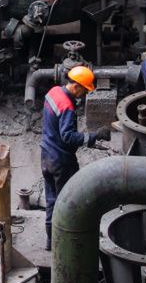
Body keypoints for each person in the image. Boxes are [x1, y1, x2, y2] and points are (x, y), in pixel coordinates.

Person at [41, 65, 111, 250]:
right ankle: (66, 244)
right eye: (84, 90)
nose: (84, 95)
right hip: (61, 161)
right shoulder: (68, 107)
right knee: (68, 202)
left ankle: (50, 241)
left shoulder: (53, 92)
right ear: (77, 86)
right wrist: (94, 136)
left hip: (46, 155)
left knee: (51, 201)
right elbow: (68, 137)